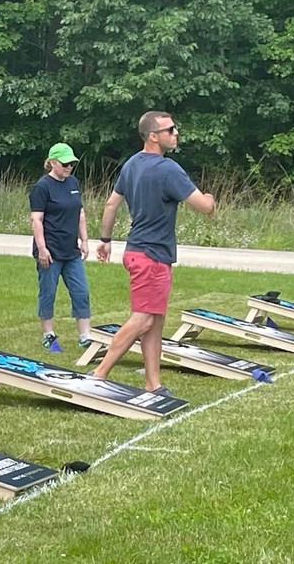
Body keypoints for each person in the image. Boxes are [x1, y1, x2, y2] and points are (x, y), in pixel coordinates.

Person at [92, 111, 215, 396]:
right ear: (153, 136)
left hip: (138, 251)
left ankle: (153, 384)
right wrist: (211, 201)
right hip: (152, 256)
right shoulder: (168, 169)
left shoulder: (131, 164)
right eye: (170, 130)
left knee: (155, 322)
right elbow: (203, 206)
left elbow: (111, 205)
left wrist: (106, 240)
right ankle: (99, 374)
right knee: (144, 319)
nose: (176, 133)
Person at [29, 143, 92, 350]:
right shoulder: (42, 187)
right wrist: (42, 249)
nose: (69, 167)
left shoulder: (73, 182)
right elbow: (37, 220)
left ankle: (85, 336)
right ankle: (48, 334)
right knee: (48, 292)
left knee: (81, 291)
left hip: (71, 250)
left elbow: (80, 213)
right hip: (50, 250)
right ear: (53, 162)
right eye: (65, 163)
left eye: (72, 163)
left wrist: (84, 240)